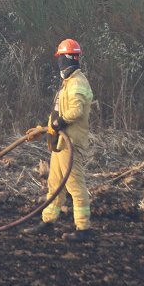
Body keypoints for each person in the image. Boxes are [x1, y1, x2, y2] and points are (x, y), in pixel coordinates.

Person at [22, 38, 95, 241]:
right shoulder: (68, 83)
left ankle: (83, 229)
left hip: (70, 144)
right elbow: (58, 113)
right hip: (61, 145)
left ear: (66, 58)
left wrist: (59, 123)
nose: (60, 63)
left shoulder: (77, 82)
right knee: (55, 184)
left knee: (74, 185)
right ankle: (48, 222)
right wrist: (43, 129)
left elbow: (76, 111)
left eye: (61, 58)